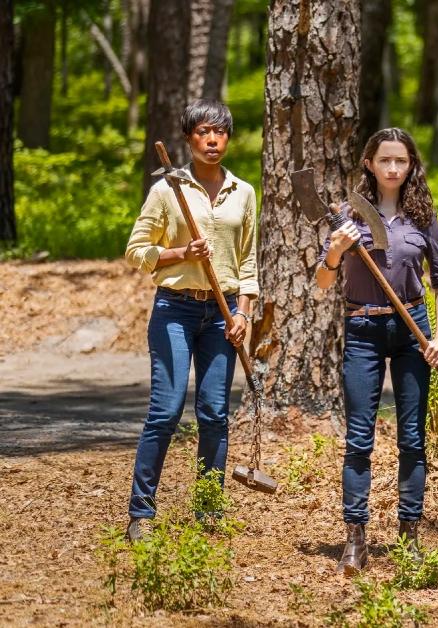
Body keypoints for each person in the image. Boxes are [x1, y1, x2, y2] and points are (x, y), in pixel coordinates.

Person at [315, 128, 438, 576]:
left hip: (414, 328)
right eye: (386, 160)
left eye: (402, 161)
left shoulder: (422, 214)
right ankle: (354, 538)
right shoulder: (346, 215)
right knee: (359, 437)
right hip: (363, 327)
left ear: (411, 165)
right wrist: (335, 252)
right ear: (369, 164)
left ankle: (409, 536)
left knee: (412, 437)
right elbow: (321, 283)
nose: (394, 168)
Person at [123, 100, 258, 540]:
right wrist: (180, 253)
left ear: (229, 138)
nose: (213, 140)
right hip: (175, 309)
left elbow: (249, 262)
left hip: (223, 313)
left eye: (220, 133)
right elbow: (137, 250)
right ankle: (141, 514)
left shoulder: (244, 192)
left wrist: (245, 316)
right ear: (189, 139)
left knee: (215, 412)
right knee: (165, 410)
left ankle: (209, 510)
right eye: (203, 132)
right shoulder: (169, 189)